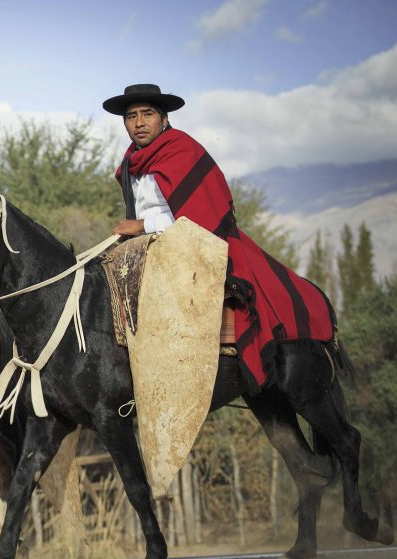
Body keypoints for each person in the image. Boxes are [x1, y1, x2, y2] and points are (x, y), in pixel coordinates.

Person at [103, 83, 334, 393]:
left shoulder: (183, 151)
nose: (139, 122)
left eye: (147, 114)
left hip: (193, 241)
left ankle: (182, 372)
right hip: (147, 243)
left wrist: (141, 225)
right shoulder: (132, 162)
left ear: (164, 118)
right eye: (131, 116)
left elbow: (199, 217)